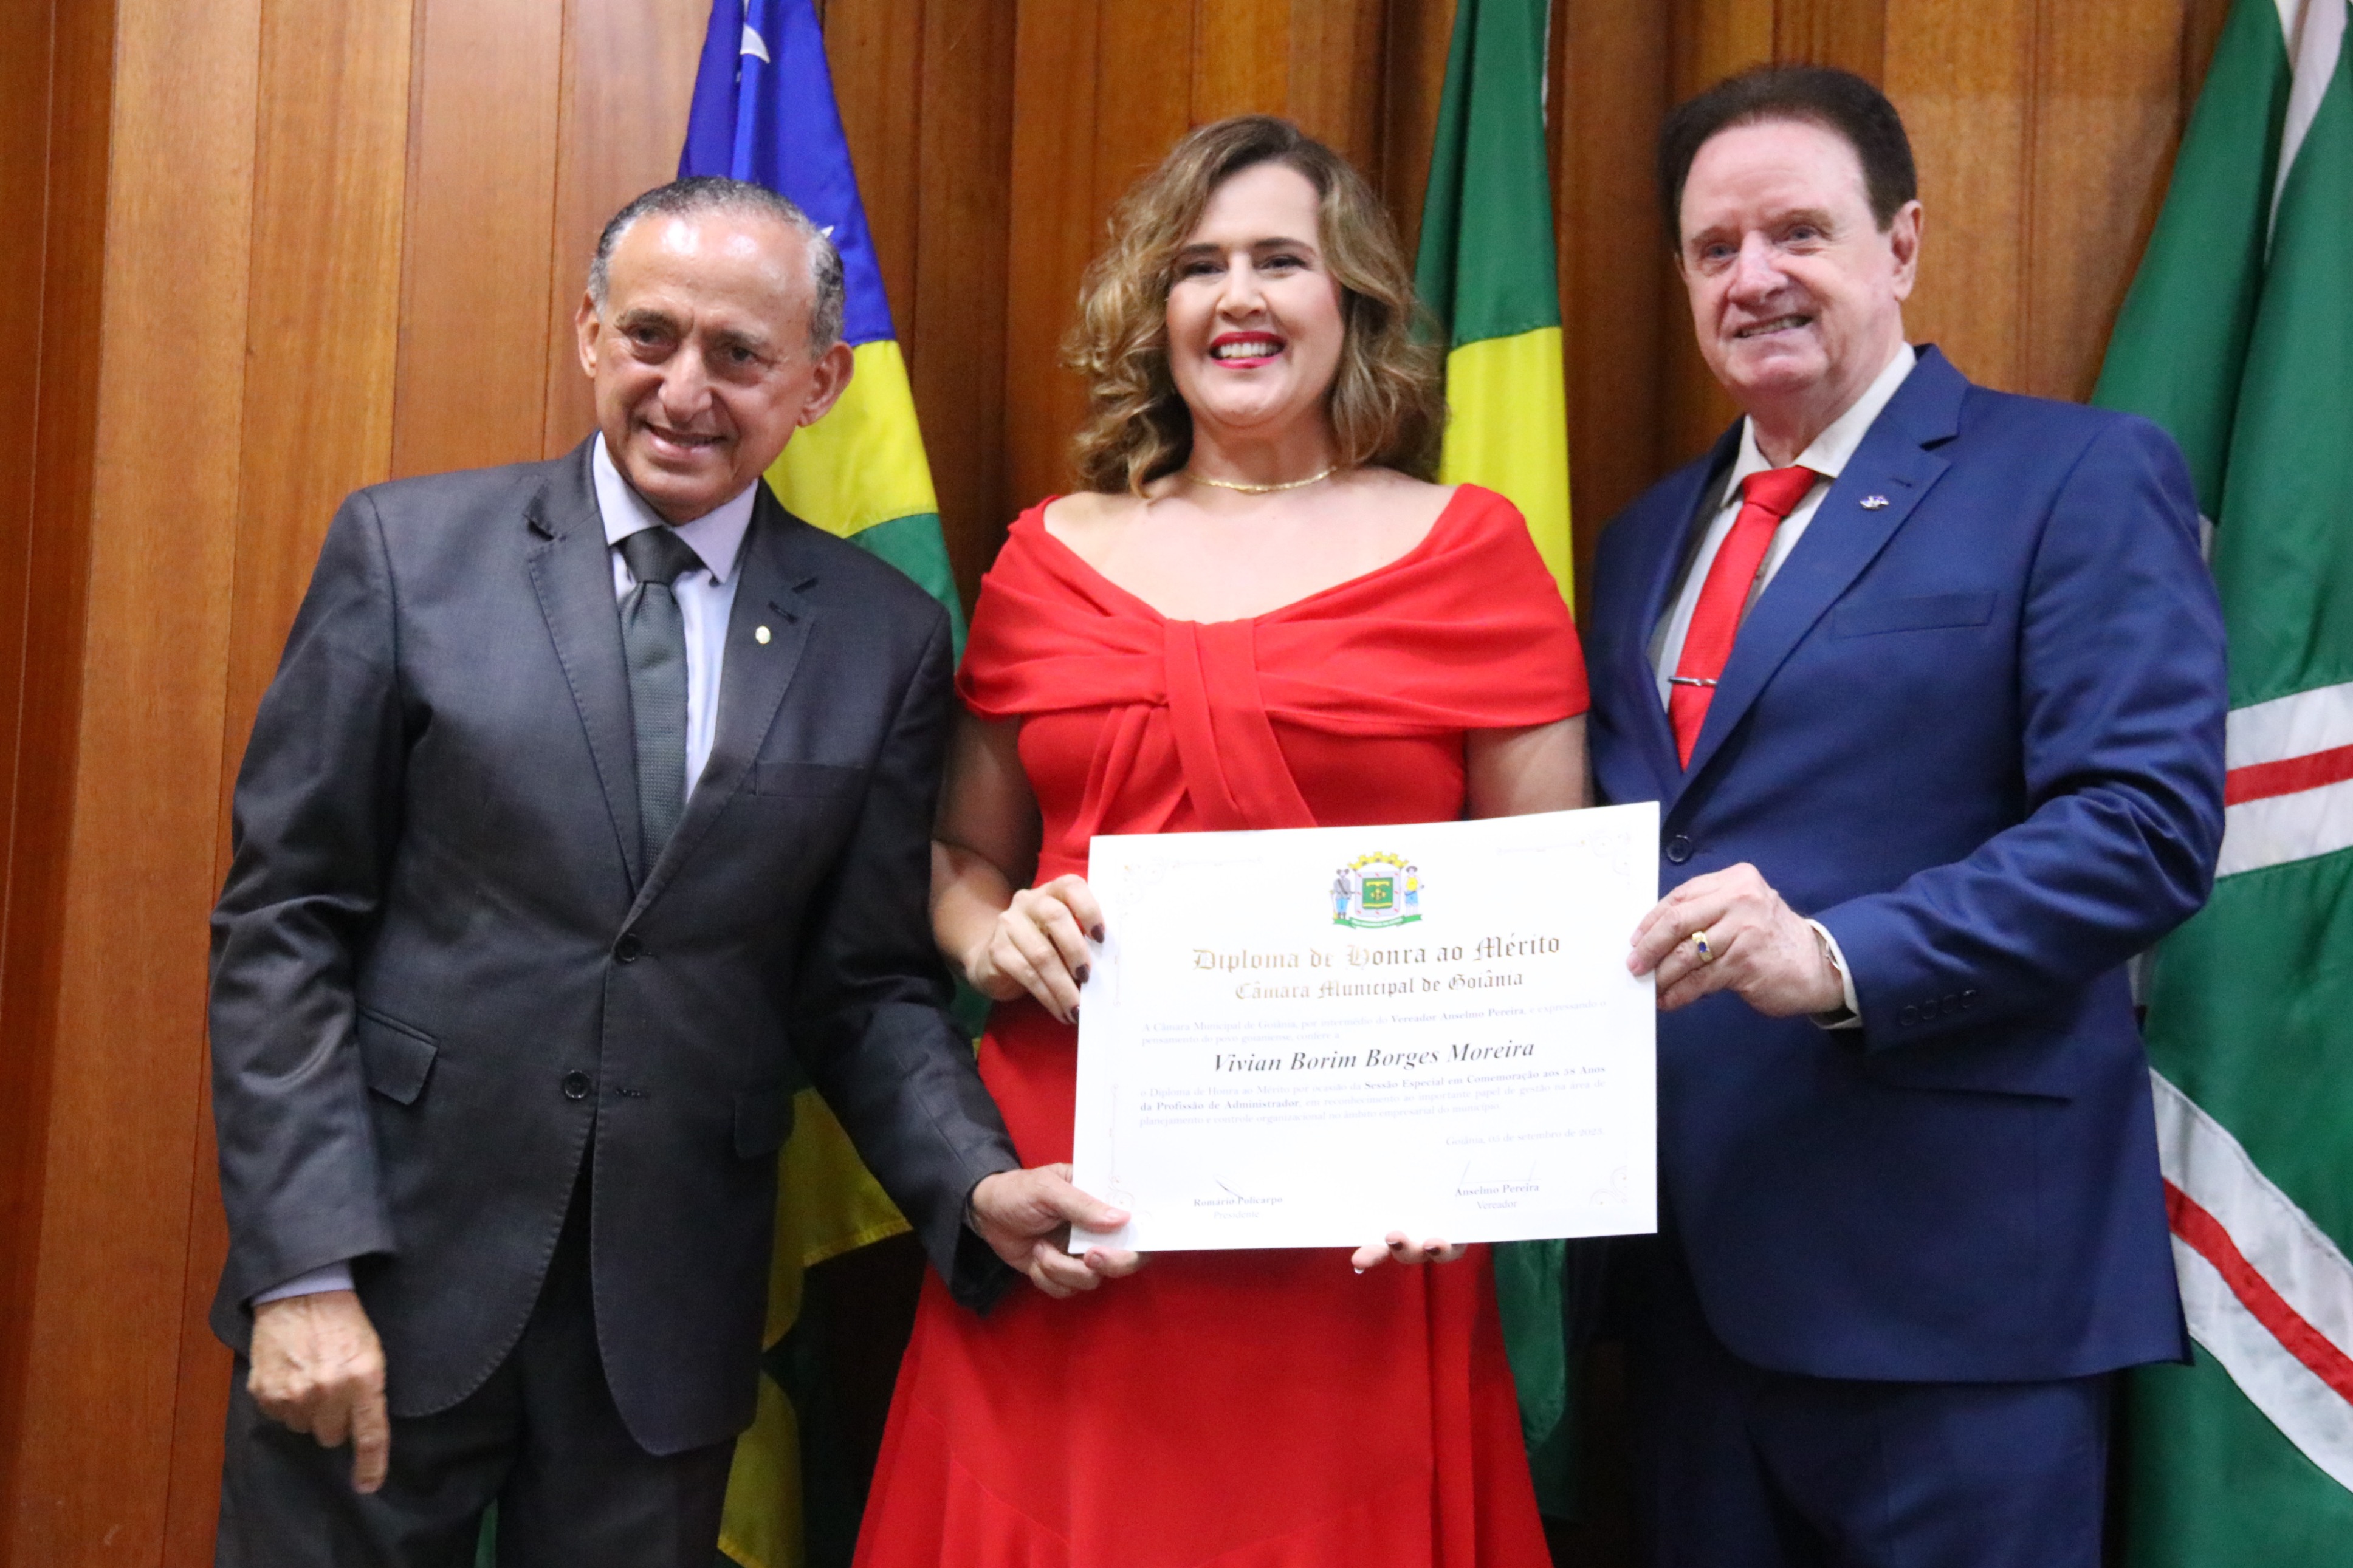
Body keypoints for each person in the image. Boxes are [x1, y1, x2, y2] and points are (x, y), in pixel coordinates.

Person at [205, 176, 1102, 1567]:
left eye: (739, 354)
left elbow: (862, 986)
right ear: (589, 334)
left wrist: (974, 1181)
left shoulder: (881, 637)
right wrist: (303, 1267)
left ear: (819, 383)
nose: (685, 390)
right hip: (384, 1280)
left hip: (664, 1325)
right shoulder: (408, 554)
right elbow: (286, 922)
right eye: (650, 336)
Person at [853, 116, 1582, 1568]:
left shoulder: (1471, 551)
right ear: (1156, 308)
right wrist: (991, 937)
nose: (1236, 296)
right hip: (1071, 1202)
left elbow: (1544, 914)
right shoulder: (1046, 558)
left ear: (1350, 299)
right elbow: (961, 863)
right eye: (1197, 266)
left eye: (1278, 260)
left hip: (1357, 1224)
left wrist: (1472, 1167)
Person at [1585, 67, 2228, 1566]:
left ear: (1902, 244)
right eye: (1713, 248)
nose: (1753, 277)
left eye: (1798, 232)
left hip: (1958, 1294)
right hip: (1683, 1297)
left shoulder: (2073, 474)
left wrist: (1834, 957)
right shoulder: (1636, 542)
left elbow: (2140, 824)